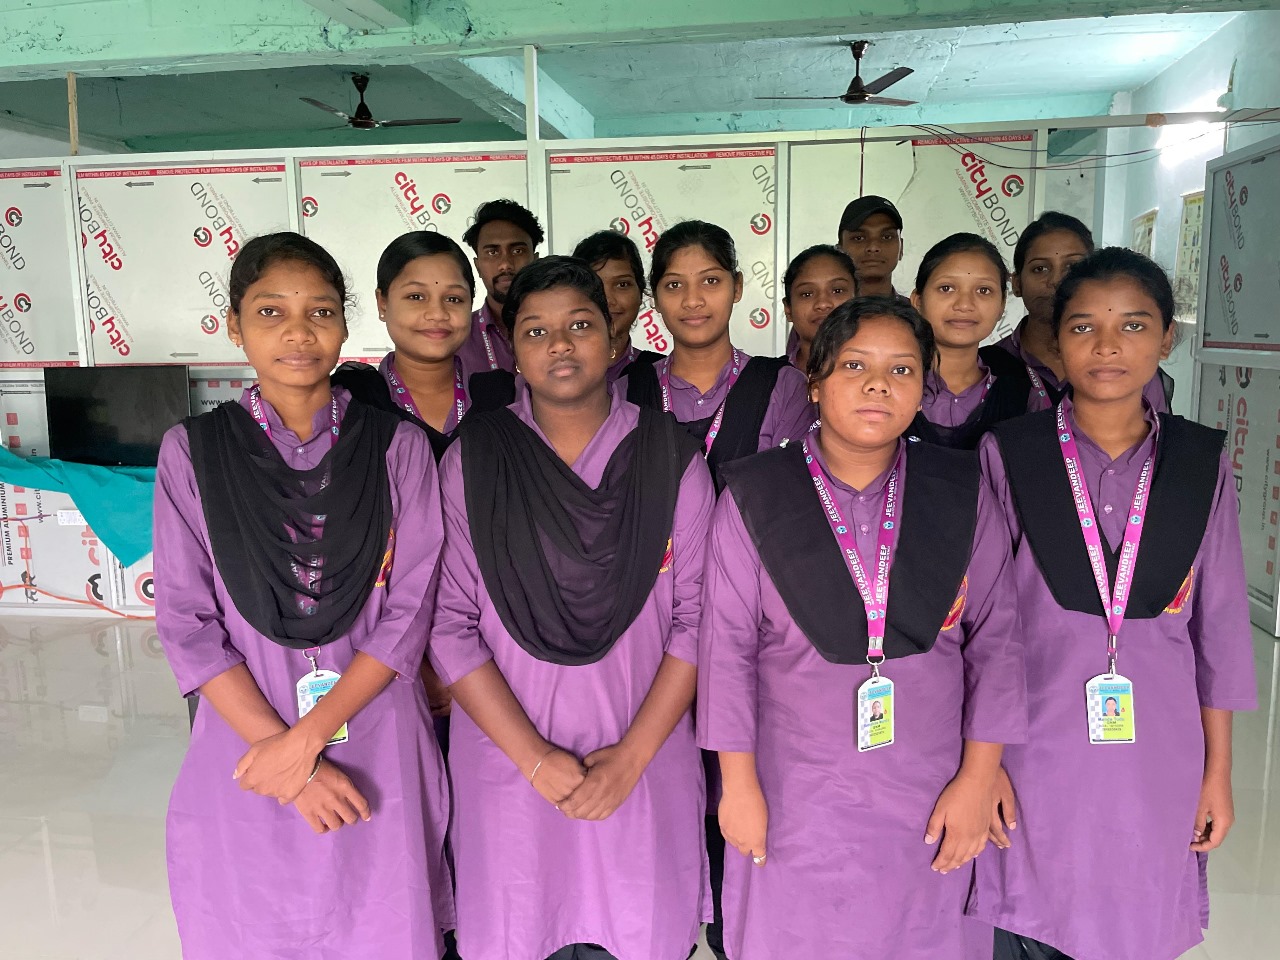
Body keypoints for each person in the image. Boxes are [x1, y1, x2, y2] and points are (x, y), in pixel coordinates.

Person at [153, 233, 454, 958]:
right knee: (254, 918)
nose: (298, 332)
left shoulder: (396, 447)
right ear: (234, 326)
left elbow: (410, 611)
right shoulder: (193, 451)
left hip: (375, 724)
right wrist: (289, 760)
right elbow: (188, 623)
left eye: (320, 311)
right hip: (247, 730)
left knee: (383, 918)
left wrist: (307, 742)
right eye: (271, 312)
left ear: (345, 327)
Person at [698, 295, 1026, 960]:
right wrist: (738, 787)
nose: (878, 384)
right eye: (854, 365)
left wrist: (977, 778)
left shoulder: (959, 492)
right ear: (814, 383)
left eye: (901, 369)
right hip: (792, 788)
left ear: (924, 389)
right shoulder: (757, 493)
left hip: (930, 783)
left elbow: (997, 641)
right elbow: (726, 652)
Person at [969, 248, 1257, 960]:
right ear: (1055, 338)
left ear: (1167, 337)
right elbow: (985, 622)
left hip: (1158, 747)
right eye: (1083, 327)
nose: (1107, 347)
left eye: (1132, 325)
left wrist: (1217, 773)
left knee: (1137, 911)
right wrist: (984, 764)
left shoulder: (1198, 462)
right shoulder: (1011, 453)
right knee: (1030, 905)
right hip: (1032, 741)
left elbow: (1219, 627)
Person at [428, 256, 715, 960]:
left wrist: (631, 759)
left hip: (641, 758)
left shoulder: (670, 457)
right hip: (511, 767)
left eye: (580, 325)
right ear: (511, 348)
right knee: (522, 925)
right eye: (536, 331)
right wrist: (534, 760)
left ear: (615, 337)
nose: (560, 344)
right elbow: (451, 627)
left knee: (640, 929)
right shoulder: (474, 460)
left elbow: (698, 621)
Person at [629, 220, 814, 489]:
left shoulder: (783, 387)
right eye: (674, 285)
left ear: (737, 287)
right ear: (655, 298)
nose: (693, 300)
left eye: (710, 281)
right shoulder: (627, 392)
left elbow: (787, 498)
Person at [332, 231, 514, 462]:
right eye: (416, 297)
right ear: (382, 303)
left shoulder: (502, 398)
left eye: (454, 299)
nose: (437, 313)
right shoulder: (351, 401)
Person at [997, 211, 1173, 412]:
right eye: (1040, 269)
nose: (1056, 281)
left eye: (1072, 267)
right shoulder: (989, 366)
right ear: (1016, 283)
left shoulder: (1134, 373)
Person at [905, 233, 1032, 449]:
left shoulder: (1022, 396)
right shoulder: (888, 385)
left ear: (1001, 306)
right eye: (947, 288)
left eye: (983, 290)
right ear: (918, 301)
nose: (964, 305)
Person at [458, 199, 543, 377]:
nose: (505, 264)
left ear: (535, 261)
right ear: (477, 266)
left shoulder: (562, 330)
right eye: (492, 252)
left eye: (517, 251)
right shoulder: (457, 337)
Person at [573, 229, 664, 381]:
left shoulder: (661, 373)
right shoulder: (551, 372)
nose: (608, 299)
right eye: (596, 286)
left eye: (622, 284)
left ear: (641, 292)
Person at [781, 243, 858, 372]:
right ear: (788, 309)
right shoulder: (770, 379)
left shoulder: (879, 376)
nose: (823, 304)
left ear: (858, 301)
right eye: (807, 294)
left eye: (837, 291)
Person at [837, 195, 910, 303]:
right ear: (840, 250)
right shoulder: (826, 310)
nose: (873, 247)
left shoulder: (919, 312)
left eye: (887, 237)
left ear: (901, 248)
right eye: (859, 238)